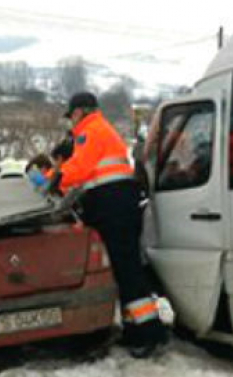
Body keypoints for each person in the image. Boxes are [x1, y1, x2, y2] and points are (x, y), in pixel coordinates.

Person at [54, 92, 168, 358]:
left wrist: (51, 179)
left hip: (113, 206)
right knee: (124, 268)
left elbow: (79, 168)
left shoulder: (91, 130)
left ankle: (148, 333)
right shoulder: (97, 130)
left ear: (80, 112)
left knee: (127, 269)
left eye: (71, 115)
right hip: (116, 204)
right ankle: (136, 329)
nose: (70, 121)